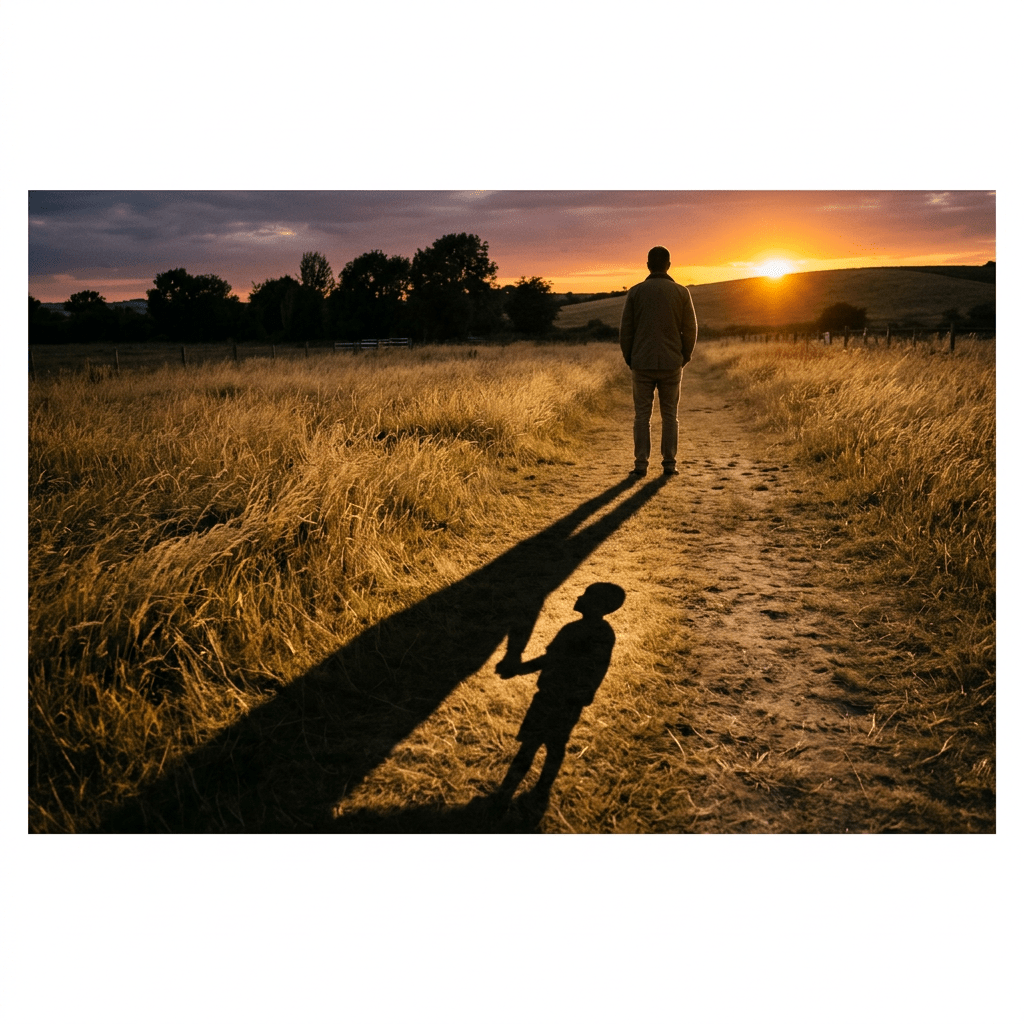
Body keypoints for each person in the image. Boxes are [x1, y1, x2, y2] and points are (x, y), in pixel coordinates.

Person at [619, 245, 698, 477]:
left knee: (642, 416)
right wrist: (684, 356)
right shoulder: (682, 292)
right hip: (671, 362)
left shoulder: (635, 292)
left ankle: (640, 464)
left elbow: (626, 330)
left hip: (641, 362)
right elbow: (690, 329)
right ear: (669, 265)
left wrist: (630, 357)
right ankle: (669, 463)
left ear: (648, 266)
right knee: (670, 415)